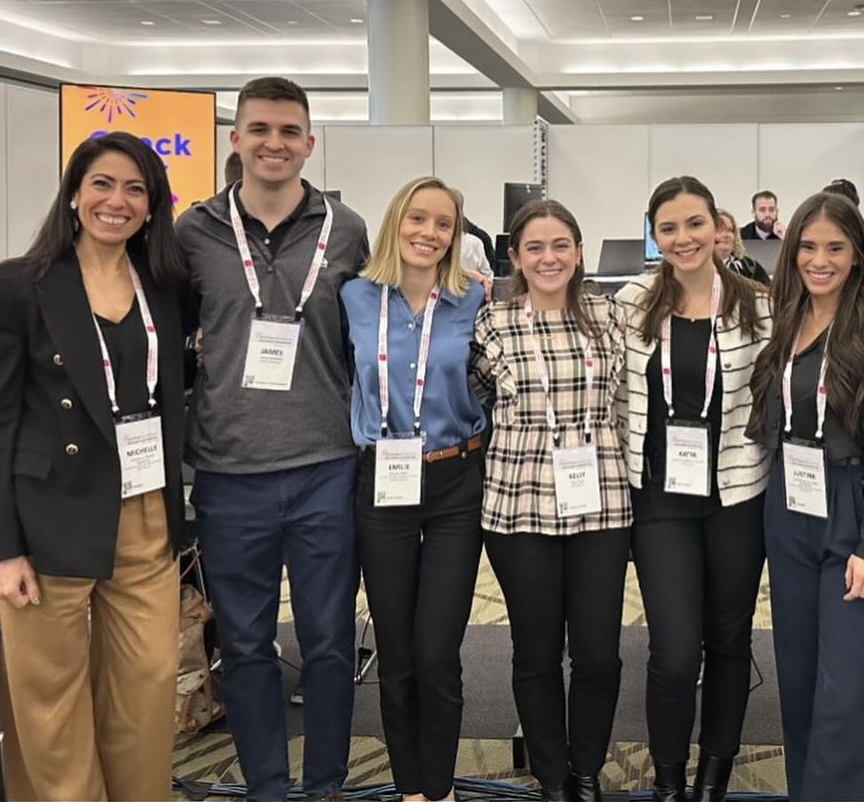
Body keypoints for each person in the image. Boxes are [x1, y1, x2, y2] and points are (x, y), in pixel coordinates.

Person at [0, 130, 187, 801]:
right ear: (72, 194)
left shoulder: (167, 286)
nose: (116, 201)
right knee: (50, 703)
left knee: (146, 689)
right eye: (102, 184)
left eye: (134, 189)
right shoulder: (15, 287)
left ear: (151, 205)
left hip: (144, 511)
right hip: (48, 516)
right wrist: (1, 548)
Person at [176, 76, 369, 802]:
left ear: (309, 143)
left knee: (326, 643)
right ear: (236, 139)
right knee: (249, 647)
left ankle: (324, 785)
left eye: (289, 132)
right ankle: (266, 787)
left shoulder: (345, 228)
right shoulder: (192, 231)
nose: (274, 144)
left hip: (325, 464)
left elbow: (366, 337)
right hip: (229, 471)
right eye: (259, 129)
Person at [748, 191, 864, 802]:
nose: (820, 260)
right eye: (809, 247)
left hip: (856, 508)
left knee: (845, 696)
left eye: (835, 248)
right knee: (800, 683)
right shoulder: (787, 319)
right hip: (789, 503)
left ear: (857, 256)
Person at [615, 176, 771, 802]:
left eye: (695, 224)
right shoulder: (629, 302)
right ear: (655, 235)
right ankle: (669, 776)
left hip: (737, 495)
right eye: (669, 228)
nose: (684, 239)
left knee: (730, 641)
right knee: (675, 651)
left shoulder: (758, 304)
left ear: (717, 226)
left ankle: (715, 772)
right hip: (658, 500)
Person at [471, 199, 630, 802]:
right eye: (534, 247)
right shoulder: (493, 323)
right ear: (514, 257)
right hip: (518, 508)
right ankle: (552, 777)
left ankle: (586, 768)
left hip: (602, 505)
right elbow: (475, 400)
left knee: (599, 655)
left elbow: (624, 404)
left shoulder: (608, 315)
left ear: (580, 251)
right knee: (535, 652)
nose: (548, 258)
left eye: (561, 244)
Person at [342, 177, 487, 802]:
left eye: (444, 224)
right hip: (382, 476)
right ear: (395, 222)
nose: (429, 233)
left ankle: (441, 785)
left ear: (457, 235)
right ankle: (409, 789)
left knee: (437, 649)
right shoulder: (352, 296)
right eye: (418, 219)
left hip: (456, 477)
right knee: (396, 648)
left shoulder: (474, 300)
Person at [714, 210, 769, 286]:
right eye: (720, 230)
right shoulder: (698, 266)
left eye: (730, 230)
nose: (726, 235)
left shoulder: (750, 266)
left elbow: (767, 291)